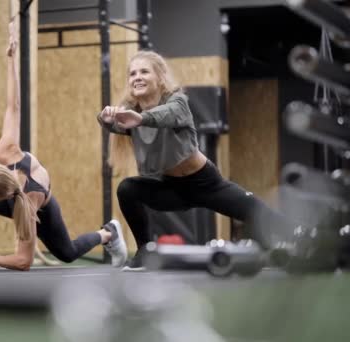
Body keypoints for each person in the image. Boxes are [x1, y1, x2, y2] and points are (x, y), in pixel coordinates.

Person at [0, 20, 127, 271]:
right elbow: (13, 106)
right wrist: (11, 60)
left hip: (40, 208)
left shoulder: (29, 203)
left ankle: (108, 233)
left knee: (67, 252)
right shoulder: (7, 151)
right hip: (12, 193)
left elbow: (24, 261)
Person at [97, 50, 297, 271]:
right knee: (127, 188)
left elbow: (168, 115)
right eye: (133, 73)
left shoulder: (177, 101)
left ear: (160, 77)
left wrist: (140, 119)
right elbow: (113, 124)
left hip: (206, 184)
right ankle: (145, 251)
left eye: (144, 71)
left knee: (260, 214)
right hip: (171, 190)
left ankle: (305, 237)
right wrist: (105, 119)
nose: (137, 77)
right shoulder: (130, 114)